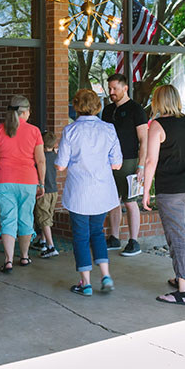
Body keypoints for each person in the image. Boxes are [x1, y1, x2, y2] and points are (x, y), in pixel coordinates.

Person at [141, 84, 185, 306]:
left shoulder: (158, 125)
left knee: (177, 237)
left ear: (158, 101)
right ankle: (182, 278)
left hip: (171, 189)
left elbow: (151, 161)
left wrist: (145, 191)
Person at [56, 88, 123, 296]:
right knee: (98, 233)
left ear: (76, 105)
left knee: (81, 236)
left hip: (79, 193)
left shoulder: (70, 131)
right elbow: (117, 164)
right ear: (98, 106)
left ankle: (85, 283)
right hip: (102, 191)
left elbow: (60, 166)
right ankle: (106, 275)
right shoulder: (109, 129)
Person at [0, 95, 44, 273]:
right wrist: (42, 184)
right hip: (28, 181)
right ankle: (24, 256)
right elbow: (41, 161)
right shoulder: (34, 131)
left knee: (8, 219)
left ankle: (8, 260)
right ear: (26, 111)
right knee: (26, 219)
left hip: (4, 180)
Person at [102, 72, 148, 257]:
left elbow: (144, 140)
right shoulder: (107, 110)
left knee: (130, 202)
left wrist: (142, 166)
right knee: (112, 201)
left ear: (125, 88)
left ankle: (133, 241)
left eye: (115, 88)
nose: (111, 92)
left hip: (129, 161)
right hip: (109, 162)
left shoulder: (136, 110)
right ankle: (114, 237)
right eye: (110, 88)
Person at [30, 132, 60, 258]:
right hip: (54, 191)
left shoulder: (40, 158)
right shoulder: (55, 157)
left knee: (44, 219)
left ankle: (51, 246)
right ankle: (42, 241)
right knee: (48, 216)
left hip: (44, 191)